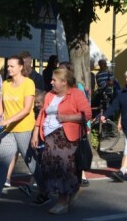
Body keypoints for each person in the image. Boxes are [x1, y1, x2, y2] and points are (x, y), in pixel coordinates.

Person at [29, 68, 91, 214]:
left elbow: (87, 114)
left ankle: (62, 202)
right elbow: (41, 115)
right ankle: (70, 191)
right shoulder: (50, 95)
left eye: (54, 80)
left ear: (64, 82)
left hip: (66, 138)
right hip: (49, 138)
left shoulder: (76, 94)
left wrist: (68, 118)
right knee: (50, 169)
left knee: (63, 169)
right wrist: (36, 132)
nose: (51, 83)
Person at [0, 55, 42, 204]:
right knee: (3, 162)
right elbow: (0, 107)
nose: (9, 69)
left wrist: (8, 120)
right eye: (8, 66)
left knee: (31, 163)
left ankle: (45, 190)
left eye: (12, 66)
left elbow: (26, 109)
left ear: (21, 67)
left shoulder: (28, 83)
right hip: (8, 131)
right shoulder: (5, 84)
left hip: (24, 129)